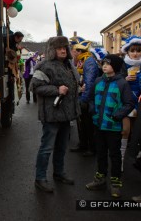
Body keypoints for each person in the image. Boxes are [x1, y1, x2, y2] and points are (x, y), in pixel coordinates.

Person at [30, 36, 80, 193]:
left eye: (65, 47)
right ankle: (40, 178)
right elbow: (35, 87)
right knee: (46, 148)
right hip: (52, 115)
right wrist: (56, 90)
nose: (63, 50)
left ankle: (59, 173)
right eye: (59, 48)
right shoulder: (44, 66)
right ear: (52, 50)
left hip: (66, 115)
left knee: (62, 146)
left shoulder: (69, 65)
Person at [86, 55, 134, 198]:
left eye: (108, 64)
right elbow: (91, 98)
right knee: (100, 153)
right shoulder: (98, 81)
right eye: (103, 63)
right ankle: (100, 180)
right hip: (98, 125)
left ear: (116, 67)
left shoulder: (122, 84)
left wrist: (117, 115)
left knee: (114, 155)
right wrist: (92, 109)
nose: (104, 66)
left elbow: (129, 103)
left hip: (113, 127)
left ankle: (115, 183)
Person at [120, 36, 141, 171]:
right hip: (126, 101)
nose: (135, 53)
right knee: (125, 130)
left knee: (136, 132)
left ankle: (137, 156)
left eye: (138, 51)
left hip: (139, 103)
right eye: (132, 51)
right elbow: (113, 81)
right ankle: (120, 160)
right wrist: (125, 79)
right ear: (127, 52)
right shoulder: (122, 65)